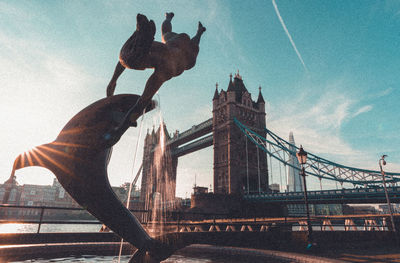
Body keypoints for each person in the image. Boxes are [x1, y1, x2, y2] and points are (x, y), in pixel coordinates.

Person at [106, 12, 206, 125]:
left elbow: (144, 99)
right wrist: (112, 81)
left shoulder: (166, 68)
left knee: (190, 44)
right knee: (166, 34)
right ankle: (185, 25)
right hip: (173, 44)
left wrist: (126, 122)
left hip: (185, 57)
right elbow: (123, 61)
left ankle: (198, 32)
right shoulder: (151, 48)